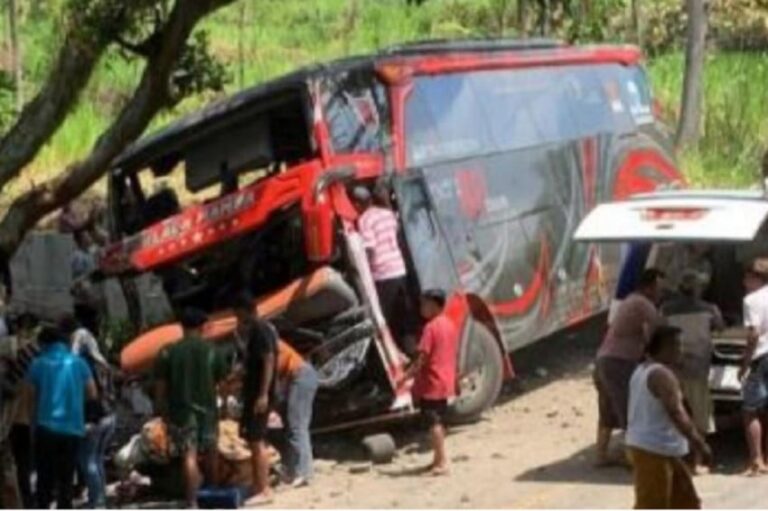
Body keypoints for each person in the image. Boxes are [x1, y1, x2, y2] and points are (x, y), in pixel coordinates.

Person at [626, 325, 712, 509]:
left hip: (663, 448)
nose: (681, 349)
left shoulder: (643, 370)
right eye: (677, 345)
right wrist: (699, 443)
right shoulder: (661, 375)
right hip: (652, 448)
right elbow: (677, 413)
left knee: (687, 502)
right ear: (664, 347)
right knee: (653, 504)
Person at [154, 308, 227, 508]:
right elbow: (222, 382)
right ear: (202, 326)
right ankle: (214, 495)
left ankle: (192, 501)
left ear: (182, 326)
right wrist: (225, 404)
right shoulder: (212, 350)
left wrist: (161, 410)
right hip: (209, 411)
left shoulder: (167, 351)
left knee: (189, 454)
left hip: (181, 413)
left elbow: (160, 387)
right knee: (211, 451)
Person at [594, 268, 665, 467]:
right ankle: (632, 458)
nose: (661, 292)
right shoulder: (644, 304)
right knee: (630, 409)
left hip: (603, 359)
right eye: (659, 288)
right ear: (650, 287)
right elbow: (657, 333)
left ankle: (601, 454)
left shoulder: (629, 300)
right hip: (619, 362)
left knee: (607, 408)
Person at [26, 323, 96, 509]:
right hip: (73, 429)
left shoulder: (38, 364)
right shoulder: (78, 363)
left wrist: (31, 427)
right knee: (66, 479)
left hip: (45, 428)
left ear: (44, 344)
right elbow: (92, 394)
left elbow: (30, 399)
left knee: (45, 479)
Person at [660, 270, 724, 474]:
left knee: (674, 413)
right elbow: (720, 328)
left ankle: (675, 460)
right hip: (698, 369)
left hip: (673, 368)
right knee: (699, 415)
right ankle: (696, 462)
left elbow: (658, 331)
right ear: (699, 289)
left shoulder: (666, 310)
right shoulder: (710, 309)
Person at [59, 317, 116, 509]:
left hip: (93, 417)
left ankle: (97, 501)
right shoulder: (101, 363)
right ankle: (100, 498)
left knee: (87, 460)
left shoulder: (81, 363)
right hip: (109, 415)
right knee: (96, 458)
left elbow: (85, 394)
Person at [401, 289, 459, 476]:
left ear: (434, 305)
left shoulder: (430, 328)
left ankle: (442, 462)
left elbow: (421, 359)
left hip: (431, 383)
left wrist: (406, 376)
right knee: (439, 421)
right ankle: (437, 459)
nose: (421, 308)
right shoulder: (449, 324)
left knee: (433, 423)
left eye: (424, 304)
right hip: (445, 381)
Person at [352, 186, 415, 356]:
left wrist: (363, 270)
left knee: (387, 320)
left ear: (357, 205)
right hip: (399, 269)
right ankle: (412, 353)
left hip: (383, 275)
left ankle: (396, 354)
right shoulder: (387, 214)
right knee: (405, 316)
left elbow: (370, 249)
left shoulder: (364, 219)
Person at [233, 292, 277, 506]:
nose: (236, 318)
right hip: (254, 393)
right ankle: (259, 485)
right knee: (254, 440)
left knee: (256, 441)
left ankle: (265, 489)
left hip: (259, 395)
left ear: (244, 310)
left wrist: (263, 394)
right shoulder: (256, 331)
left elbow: (268, 359)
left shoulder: (260, 329)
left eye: (237, 313)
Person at [7, 313, 40, 509]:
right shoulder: (35, 355)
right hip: (30, 418)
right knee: (26, 464)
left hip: (15, 418)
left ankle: (23, 500)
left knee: (20, 465)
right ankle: (26, 500)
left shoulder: (15, 355)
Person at [275, 340, 319, 487]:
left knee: (297, 426)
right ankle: (293, 470)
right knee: (291, 427)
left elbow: (276, 369)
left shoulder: (270, 345)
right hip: (295, 379)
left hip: (301, 376)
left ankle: (304, 473)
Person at [739, 259, 768, 476]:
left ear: (756, 278)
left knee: (750, 410)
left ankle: (757, 460)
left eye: (747, 278)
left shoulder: (751, 300)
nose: (744, 282)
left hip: (761, 357)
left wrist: (744, 363)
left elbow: (754, 334)